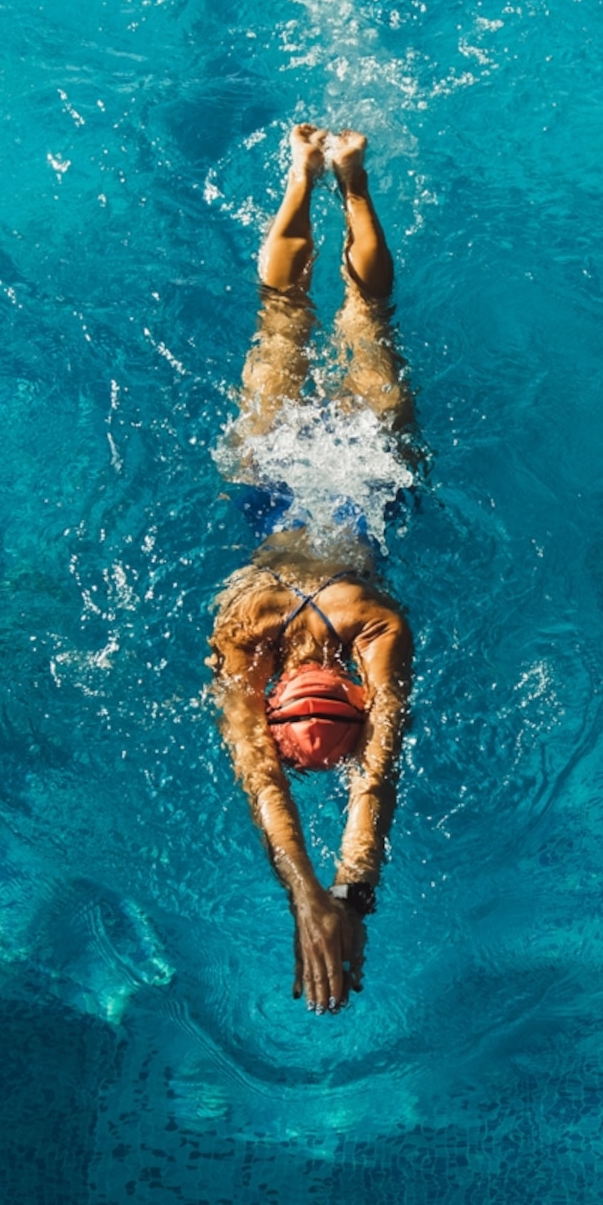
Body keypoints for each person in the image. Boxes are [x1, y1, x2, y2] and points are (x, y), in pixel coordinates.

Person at [209, 126, 415, 1015]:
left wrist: (339, 896)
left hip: (369, 478)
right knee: (284, 313)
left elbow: (377, 769)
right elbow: (261, 768)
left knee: (363, 323)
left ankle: (349, 179)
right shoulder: (248, 623)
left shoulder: (377, 624)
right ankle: (310, 174)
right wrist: (321, 890)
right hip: (267, 478)